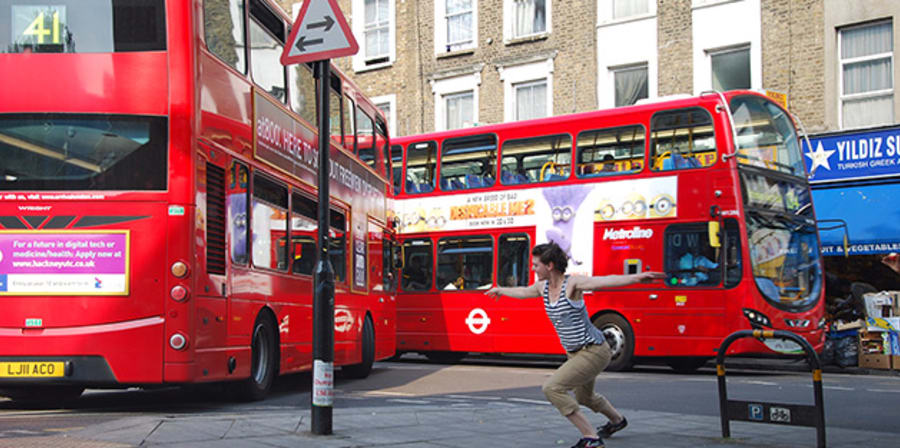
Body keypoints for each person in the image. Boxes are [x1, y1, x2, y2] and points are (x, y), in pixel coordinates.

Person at [485, 242, 665, 448]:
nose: (533, 269)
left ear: (550, 265)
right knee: (584, 397)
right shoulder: (542, 287)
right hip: (576, 354)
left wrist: (635, 277)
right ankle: (617, 421)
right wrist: (501, 290)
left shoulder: (572, 284)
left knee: (552, 388)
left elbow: (603, 281)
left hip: (594, 350)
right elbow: (524, 292)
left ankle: (591, 437)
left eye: (536, 265)